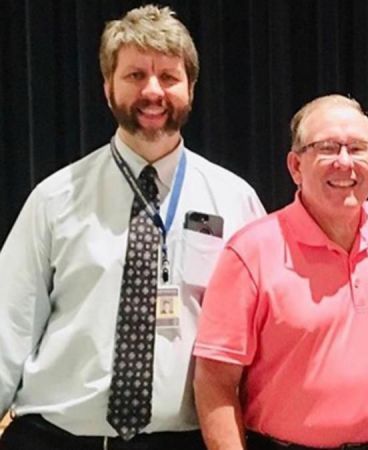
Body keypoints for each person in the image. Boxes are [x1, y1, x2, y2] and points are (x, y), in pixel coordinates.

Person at [0, 5, 265, 449]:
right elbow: (8, 325)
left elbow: (258, 341)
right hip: (59, 437)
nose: (153, 91)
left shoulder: (236, 200)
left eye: (168, 76)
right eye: (135, 75)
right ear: (107, 87)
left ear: (191, 89)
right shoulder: (55, 197)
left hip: (182, 440)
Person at [193, 94, 368, 450]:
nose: (345, 162)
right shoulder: (250, 251)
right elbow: (214, 382)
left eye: (358, 149)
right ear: (295, 166)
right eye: (327, 148)